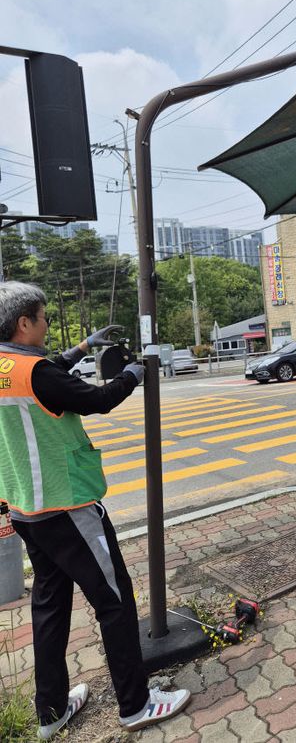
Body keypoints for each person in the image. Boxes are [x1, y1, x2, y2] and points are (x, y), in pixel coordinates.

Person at [0, 282, 190, 739]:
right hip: (67, 506)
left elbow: (48, 374)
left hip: (25, 508)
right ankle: (136, 704)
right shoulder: (35, 372)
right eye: (43, 317)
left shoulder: (10, 366)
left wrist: (85, 346)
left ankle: (50, 713)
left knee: (49, 605)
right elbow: (96, 399)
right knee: (115, 600)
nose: (47, 323)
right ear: (24, 324)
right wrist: (136, 373)